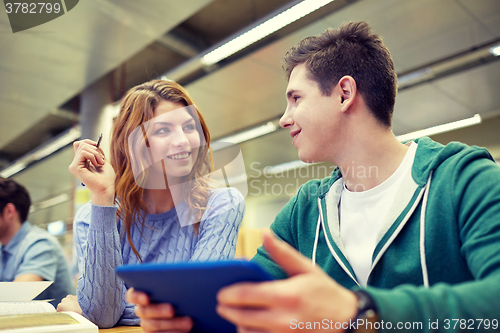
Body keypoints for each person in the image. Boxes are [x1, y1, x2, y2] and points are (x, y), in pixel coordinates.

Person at [128, 22, 500, 332]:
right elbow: (247, 301)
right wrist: (189, 318)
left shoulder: (463, 180)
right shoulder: (307, 209)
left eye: (295, 99)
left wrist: (359, 311)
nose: (283, 118)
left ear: (344, 94)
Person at [58, 80, 245, 328]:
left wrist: (88, 309)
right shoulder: (92, 216)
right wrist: (103, 195)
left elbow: (196, 307)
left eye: (189, 126)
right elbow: (103, 315)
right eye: (163, 130)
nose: (183, 141)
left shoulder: (222, 205)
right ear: (132, 143)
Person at [0, 177, 75, 307]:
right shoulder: (3, 249)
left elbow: (14, 298)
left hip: (55, 325)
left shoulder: (41, 244)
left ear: (9, 211)